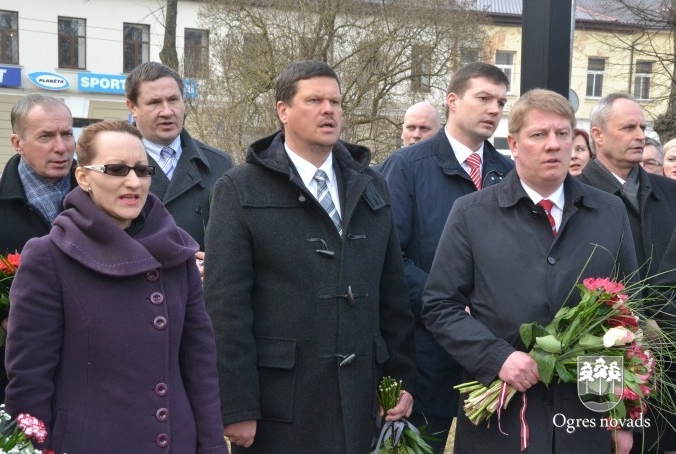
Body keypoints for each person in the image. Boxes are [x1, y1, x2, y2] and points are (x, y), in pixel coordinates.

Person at [204, 60, 416, 453]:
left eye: (335, 101)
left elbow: (393, 292)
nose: (329, 110)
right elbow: (225, 307)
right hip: (281, 401)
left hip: (362, 397)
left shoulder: (371, 185)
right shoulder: (239, 188)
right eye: (315, 100)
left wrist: (401, 378)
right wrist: (236, 404)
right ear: (282, 110)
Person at [422, 89, 638, 453]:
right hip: (503, 419)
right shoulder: (472, 214)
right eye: (539, 135)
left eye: (563, 133)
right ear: (514, 143)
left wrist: (618, 414)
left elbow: (626, 316)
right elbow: (439, 305)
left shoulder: (609, 212)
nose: (553, 145)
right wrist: (496, 357)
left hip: (584, 418)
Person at [4, 120, 227, 453]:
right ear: (83, 177)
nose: (134, 182)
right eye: (116, 169)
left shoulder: (178, 252)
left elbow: (201, 369)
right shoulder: (49, 256)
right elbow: (29, 381)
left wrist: (212, 447)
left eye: (142, 169)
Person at [377, 62, 513, 452]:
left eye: (501, 102)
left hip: (491, 356)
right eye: (483, 98)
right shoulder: (406, 167)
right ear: (453, 101)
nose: (494, 110)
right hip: (424, 354)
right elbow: (390, 258)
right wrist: (451, 308)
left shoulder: (507, 174)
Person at [0, 94, 77, 403]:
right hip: (18, 379)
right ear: (18, 142)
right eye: (46, 136)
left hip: (96, 376)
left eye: (67, 133)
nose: (61, 147)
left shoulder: (103, 199)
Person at [125, 61, 234, 274]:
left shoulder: (220, 164)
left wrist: (217, 263)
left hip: (200, 295)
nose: (167, 112)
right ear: (132, 107)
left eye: (173, 100)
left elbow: (236, 235)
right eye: (154, 102)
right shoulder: (112, 166)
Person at [578, 93, 676, 282]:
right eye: (629, 128)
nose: (640, 136)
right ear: (598, 135)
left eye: (642, 128)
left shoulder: (671, 192)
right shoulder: (571, 196)